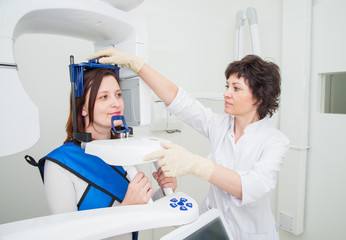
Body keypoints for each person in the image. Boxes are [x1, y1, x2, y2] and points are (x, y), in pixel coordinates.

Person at [88, 48, 290, 240]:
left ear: (259, 98)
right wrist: (138, 65)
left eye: (236, 88)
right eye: (227, 86)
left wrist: (196, 165)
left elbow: (253, 187)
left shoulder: (274, 141)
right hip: (214, 228)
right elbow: (181, 102)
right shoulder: (220, 126)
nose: (226, 94)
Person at [28, 68, 177, 240]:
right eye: (104, 97)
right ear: (83, 108)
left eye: (118, 94)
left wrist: (164, 192)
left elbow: (141, 212)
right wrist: (126, 210)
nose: (116, 103)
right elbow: (69, 237)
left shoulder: (124, 151)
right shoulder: (59, 165)